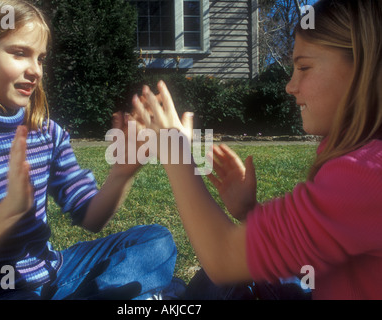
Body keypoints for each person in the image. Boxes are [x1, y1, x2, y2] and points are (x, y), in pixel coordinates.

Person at [132, 0, 382, 299]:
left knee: (222, 282)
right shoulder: (358, 157)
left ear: (365, 68)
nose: (290, 86)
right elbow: (315, 247)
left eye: (304, 67)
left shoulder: (367, 174)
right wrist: (250, 213)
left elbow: (223, 258)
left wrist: (175, 154)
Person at [0, 0, 177, 300]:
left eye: (40, 58)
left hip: (56, 273)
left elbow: (90, 217)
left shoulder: (47, 133)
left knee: (156, 241)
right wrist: (6, 215)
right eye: (19, 53)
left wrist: (121, 174)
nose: (35, 70)